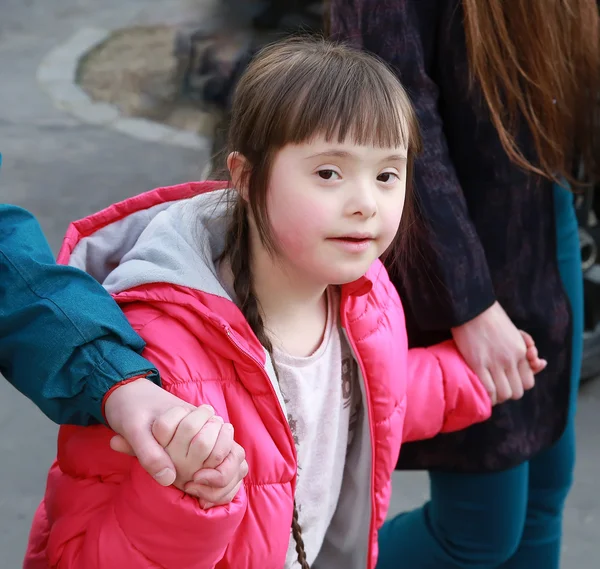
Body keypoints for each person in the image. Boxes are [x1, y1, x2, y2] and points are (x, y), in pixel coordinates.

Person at [23, 38, 544, 569]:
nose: (366, 203)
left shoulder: (363, 292)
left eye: (387, 174)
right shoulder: (161, 354)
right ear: (246, 177)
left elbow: (364, 396)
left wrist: (469, 377)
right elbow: (85, 556)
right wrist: (187, 497)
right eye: (328, 173)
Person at [329, 1, 598, 567]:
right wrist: (468, 302)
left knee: (545, 494)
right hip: (450, 243)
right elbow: (392, 112)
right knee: (475, 533)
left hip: (544, 207)